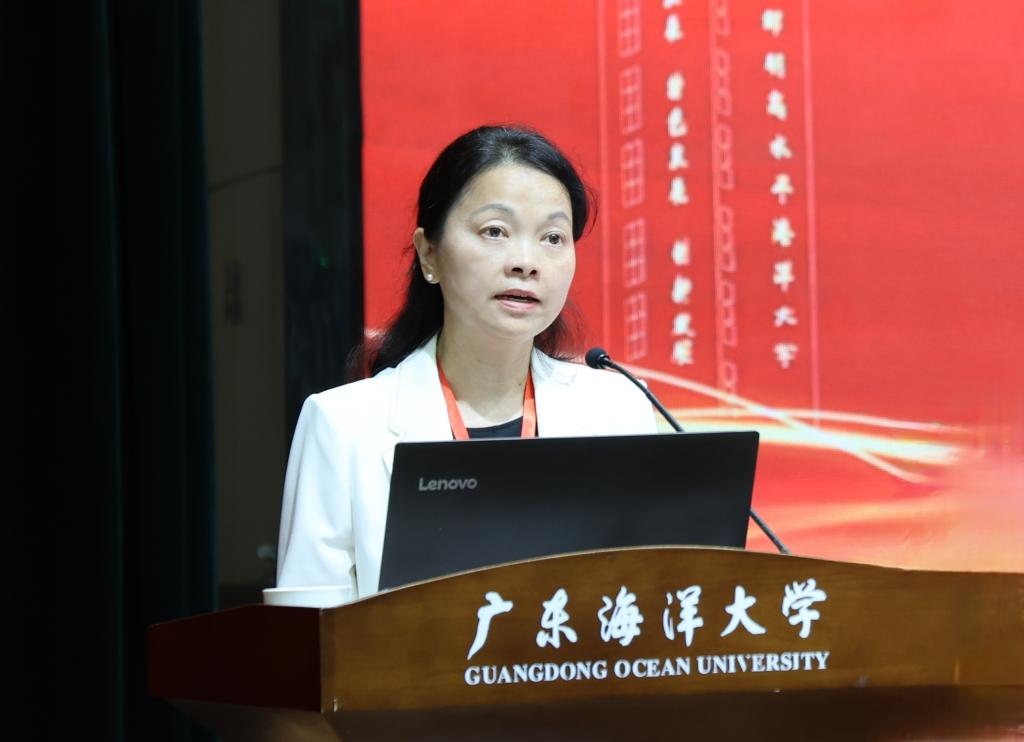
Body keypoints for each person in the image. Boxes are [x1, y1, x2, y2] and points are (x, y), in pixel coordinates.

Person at [276, 125, 657, 599]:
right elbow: (308, 628)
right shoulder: (343, 426)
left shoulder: (618, 410)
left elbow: (651, 599)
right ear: (429, 254)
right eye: (495, 231)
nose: (526, 261)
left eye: (553, 237)